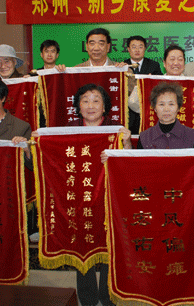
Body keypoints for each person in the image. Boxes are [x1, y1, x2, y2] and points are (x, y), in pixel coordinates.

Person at [65, 83, 130, 306]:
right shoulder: (68, 131)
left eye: (96, 100)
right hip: (79, 196)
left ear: (104, 107)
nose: (90, 105)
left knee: (110, 243)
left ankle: (108, 294)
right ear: (78, 106)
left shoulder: (116, 130)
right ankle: (87, 296)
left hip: (109, 197)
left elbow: (130, 166)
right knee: (83, 243)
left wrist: (126, 143)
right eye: (85, 100)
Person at [137, 82, 194, 149]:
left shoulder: (191, 135)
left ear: (178, 108)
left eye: (171, 104)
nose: (166, 109)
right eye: (161, 104)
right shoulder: (144, 137)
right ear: (154, 108)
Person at [124, 35, 163, 134]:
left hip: (148, 110)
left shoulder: (154, 65)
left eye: (140, 47)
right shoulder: (123, 66)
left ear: (145, 48)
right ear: (128, 49)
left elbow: (160, 87)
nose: (137, 50)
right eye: (134, 47)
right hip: (129, 113)